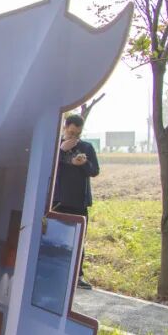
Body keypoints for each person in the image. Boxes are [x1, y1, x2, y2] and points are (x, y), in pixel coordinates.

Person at [51, 113, 99, 289]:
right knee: (55, 240)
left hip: (79, 202)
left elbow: (94, 171)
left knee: (79, 241)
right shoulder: (56, 147)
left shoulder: (87, 147)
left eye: (77, 134)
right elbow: (49, 165)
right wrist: (62, 150)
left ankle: (77, 276)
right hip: (58, 201)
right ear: (65, 128)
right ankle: (54, 274)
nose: (74, 137)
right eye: (71, 133)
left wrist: (83, 163)